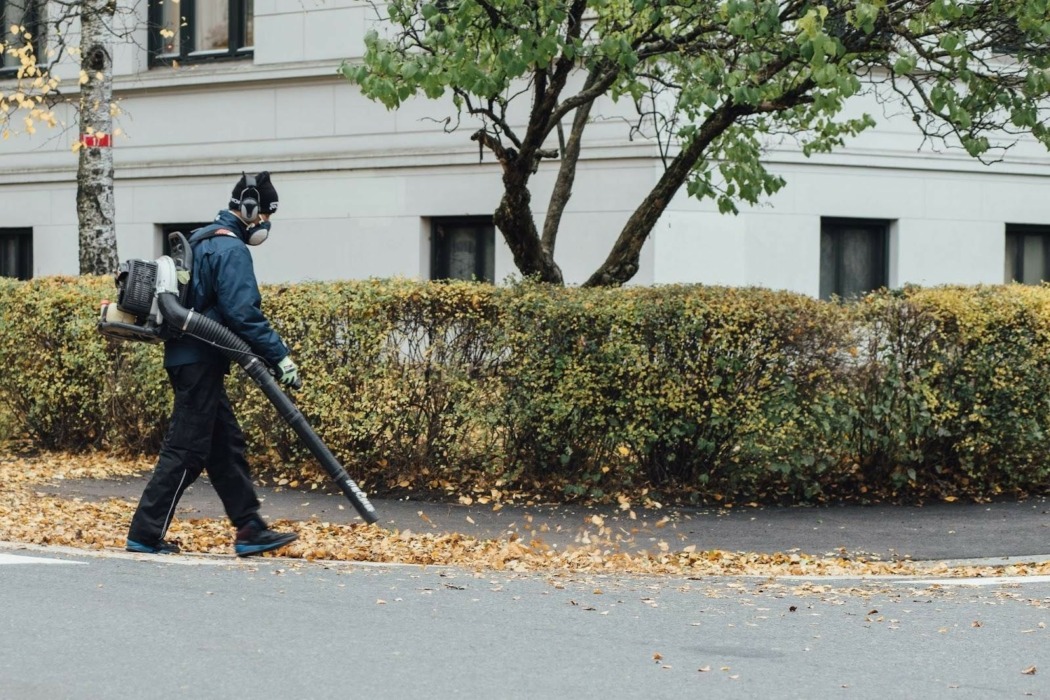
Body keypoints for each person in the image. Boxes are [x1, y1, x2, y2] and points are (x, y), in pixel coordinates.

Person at [126, 171, 301, 557]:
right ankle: (144, 533)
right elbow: (243, 314)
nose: (266, 225)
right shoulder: (231, 250)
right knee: (187, 451)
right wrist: (280, 355)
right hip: (200, 359)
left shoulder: (202, 240)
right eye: (266, 216)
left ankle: (249, 528)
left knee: (225, 445)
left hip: (191, 357)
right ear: (251, 208)